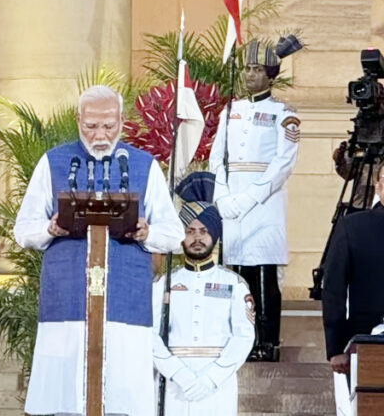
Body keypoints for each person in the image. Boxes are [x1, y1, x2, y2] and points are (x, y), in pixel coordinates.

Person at [13, 84, 183, 416]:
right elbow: (22, 229)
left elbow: (174, 234)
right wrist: (48, 228)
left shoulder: (144, 166)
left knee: (123, 391)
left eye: (109, 125)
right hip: (68, 301)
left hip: (125, 301)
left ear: (122, 120)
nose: (100, 134)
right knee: (64, 392)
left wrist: (148, 231)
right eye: (91, 126)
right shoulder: (53, 162)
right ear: (78, 120)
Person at [209, 35, 303, 361]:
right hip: (230, 200)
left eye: (256, 69)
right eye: (246, 68)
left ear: (270, 73)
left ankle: (266, 341)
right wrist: (221, 197)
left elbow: (282, 164)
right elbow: (216, 158)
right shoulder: (229, 111)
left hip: (264, 205)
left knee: (263, 273)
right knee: (235, 272)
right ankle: (240, 337)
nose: (249, 75)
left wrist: (248, 198)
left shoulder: (284, 114)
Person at [153, 172, 255, 416]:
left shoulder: (234, 284)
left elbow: (243, 336)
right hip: (174, 384)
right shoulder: (164, 283)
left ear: (214, 235)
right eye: (190, 231)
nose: (197, 238)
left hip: (219, 384)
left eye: (203, 231)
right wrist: (178, 373)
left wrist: (212, 378)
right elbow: (150, 333)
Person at [322, 169, 384, 386]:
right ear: (378, 186)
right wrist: (336, 347)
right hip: (367, 341)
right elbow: (333, 289)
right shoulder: (353, 226)